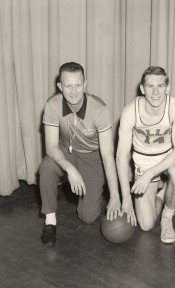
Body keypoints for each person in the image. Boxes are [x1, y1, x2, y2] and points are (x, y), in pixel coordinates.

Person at [39, 62, 121, 245]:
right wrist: (70, 169)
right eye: (68, 86)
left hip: (93, 157)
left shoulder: (100, 109)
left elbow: (108, 156)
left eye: (78, 85)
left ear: (85, 84)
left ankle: (91, 188)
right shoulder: (52, 105)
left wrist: (115, 196)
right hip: (66, 151)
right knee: (46, 166)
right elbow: (51, 146)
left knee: (88, 217)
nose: (74, 91)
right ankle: (50, 222)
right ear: (60, 87)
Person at [116, 66, 175, 244]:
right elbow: (121, 157)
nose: (155, 92)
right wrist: (125, 198)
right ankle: (165, 194)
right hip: (143, 160)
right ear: (142, 89)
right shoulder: (130, 111)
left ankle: (167, 216)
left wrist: (149, 175)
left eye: (160, 86)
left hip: (169, 157)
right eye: (150, 86)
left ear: (167, 88)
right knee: (146, 225)